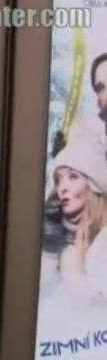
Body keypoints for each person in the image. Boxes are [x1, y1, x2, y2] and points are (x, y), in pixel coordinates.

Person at [40, 118, 107, 307]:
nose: (62, 188)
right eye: (58, 180)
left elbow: (94, 309)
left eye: (73, 177)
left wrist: (71, 268)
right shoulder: (62, 238)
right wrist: (50, 248)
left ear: (94, 185)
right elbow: (40, 295)